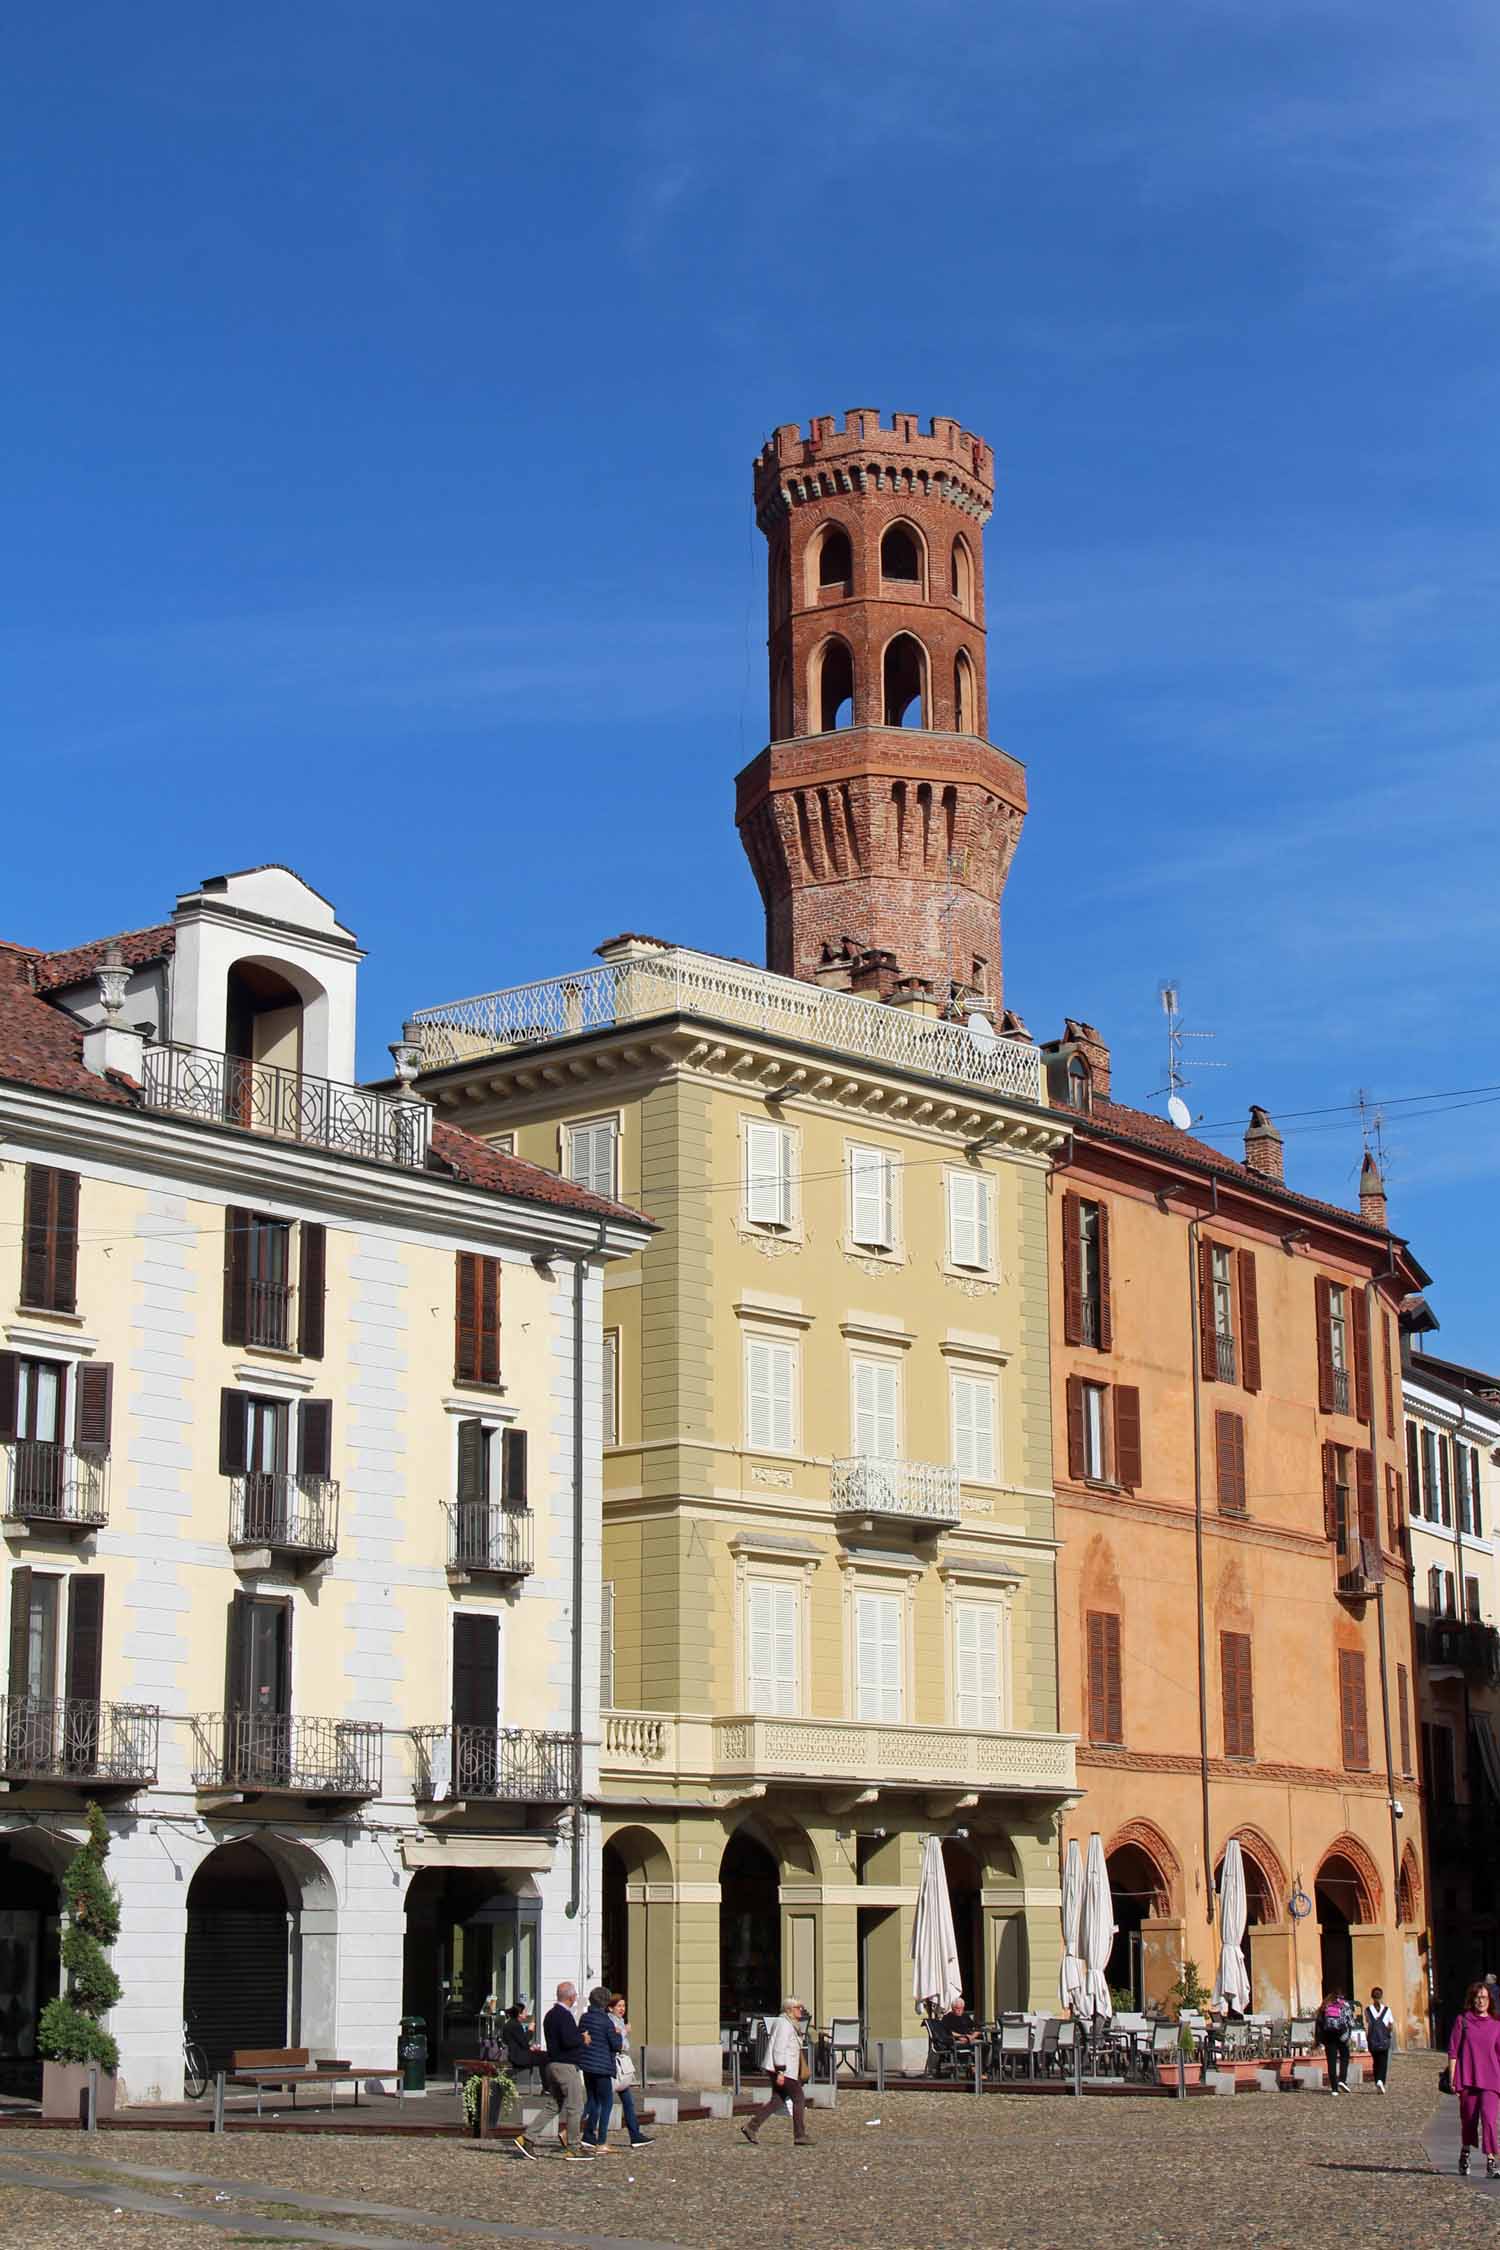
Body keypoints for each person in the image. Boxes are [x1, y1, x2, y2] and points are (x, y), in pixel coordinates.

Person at [740, 1996, 813, 2148]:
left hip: (784, 2069)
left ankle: (752, 2127)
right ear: (789, 2010)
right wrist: (781, 2071)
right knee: (799, 2098)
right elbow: (778, 2049)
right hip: (783, 2070)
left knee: (777, 2100)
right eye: (798, 2007)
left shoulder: (789, 2023)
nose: (801, 2010)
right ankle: (800, 2135)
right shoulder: (784, 2025)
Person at [1449, 1978, 1500, 2178]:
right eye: (1478, 1997)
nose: (1481, 2001)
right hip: (1468, 2078)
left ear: (1490, 2000)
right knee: (1469, 2120)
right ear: (1472, 1999)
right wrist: (1453, 2077)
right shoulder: (1463, 2021)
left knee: (1489, 2119)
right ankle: (1465, 2152)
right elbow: (1453, 2051)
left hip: (1491, 2080)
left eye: (1484, 1997)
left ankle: (1491, 2161)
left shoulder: (1496, 2024)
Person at [541, 1980, 593, 2160]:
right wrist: (583, 2038)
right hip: (565, 2066)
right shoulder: (564, 2015)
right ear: (572, 1997)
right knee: (575, 2106)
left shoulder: (550, 2015)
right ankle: (573, 2146)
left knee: (554, 2104)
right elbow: (569, 2041)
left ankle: (527, 2138)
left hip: (552, 2063)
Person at [578, 1985, 621, 2151]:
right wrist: (617, 2033)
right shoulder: (606, 2021)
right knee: (606, 2103)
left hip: (587, 2065)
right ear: (605, 2003)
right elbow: (616, 2045)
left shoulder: (585, 2018)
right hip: (602, 2066)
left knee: (593, 2101)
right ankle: (602, 2141)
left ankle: (588, 2135)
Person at [608, 1993, 653, 2147]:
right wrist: (625, 2032)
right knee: (597, 2103)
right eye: (619, 2006)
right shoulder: (611, 2021)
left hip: (620, 2068)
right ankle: (583, 2134)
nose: (622, 2009)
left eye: (623, 2006)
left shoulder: (619, 2021)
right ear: (610, 2008)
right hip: (612, 2067)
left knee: (628, 2102)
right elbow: (619, 2044)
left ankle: (635, 2135)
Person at [1315, 1987, 1353, 2096]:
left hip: (1328, 2036)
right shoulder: (1345, 2005)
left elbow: (1319, 2023)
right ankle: (1342, 2080)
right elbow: (1350, 2022)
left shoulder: (1325, 2005)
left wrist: (1319, 2040)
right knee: (1344, 2057)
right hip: (1341, 2035)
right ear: (1342, 1996)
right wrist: (1348, 2035)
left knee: (1331, 2062)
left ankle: (1334, 2089)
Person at [502, 2001, 547, 2085]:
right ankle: (547, 2087)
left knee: (542, 2055)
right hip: (518, 2058)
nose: (526, 2014)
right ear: (519, 2014)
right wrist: (530, 2031)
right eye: (525, 2012)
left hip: (515, 2054)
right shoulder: (515, 2025)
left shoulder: (509, 2024)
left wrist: (531, 2047)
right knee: (545, 2057)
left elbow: (519, 2042)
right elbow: (524, 2042)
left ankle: (547, 2087)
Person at [1363, 1987, 1395, 2094]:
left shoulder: (1367, 2010)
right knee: (1383, 2062)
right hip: (1384, 2040)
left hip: (1372, 2040)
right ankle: (1381, 2081)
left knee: (1375, 2062)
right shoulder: (1387, 2010)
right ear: (1381, 1996)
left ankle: (1377, 2080)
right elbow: (1390, 2025)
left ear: (1372, 1997)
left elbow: (1368, 2023)